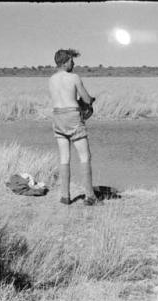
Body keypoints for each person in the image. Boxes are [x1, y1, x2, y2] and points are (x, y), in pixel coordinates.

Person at [48, 48, 100, 206]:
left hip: (57, 116)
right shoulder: (74, 77)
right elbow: (86, 98)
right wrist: (90, 100)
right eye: (71, 60)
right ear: (64, 62)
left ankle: (65, 196)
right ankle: (89, 197)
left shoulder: (51, 79)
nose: (74, 63)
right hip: (72, 116)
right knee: (85, 157)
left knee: (64, 157)